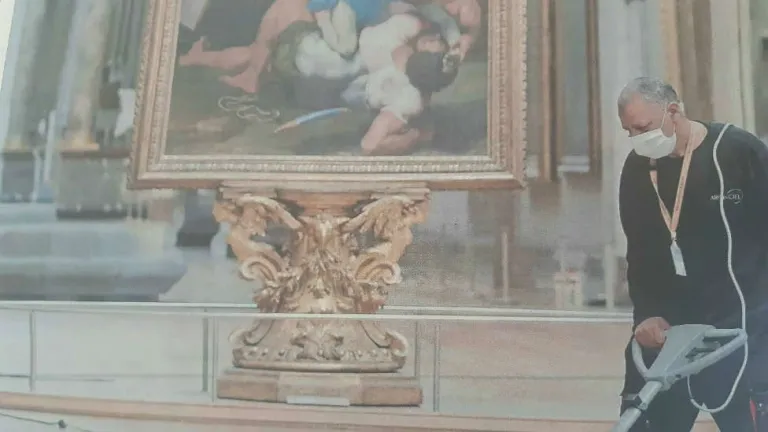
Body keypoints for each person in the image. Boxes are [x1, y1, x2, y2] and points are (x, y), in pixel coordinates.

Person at [617, 76, 768, 431]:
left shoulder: (738, 152)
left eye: (642, 128)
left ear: (673, 112)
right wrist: (646, 315)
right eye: (629, 131)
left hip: (742, 328)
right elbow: (639, 253)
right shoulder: (638, 168)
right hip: (670, 333)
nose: (636, 138)